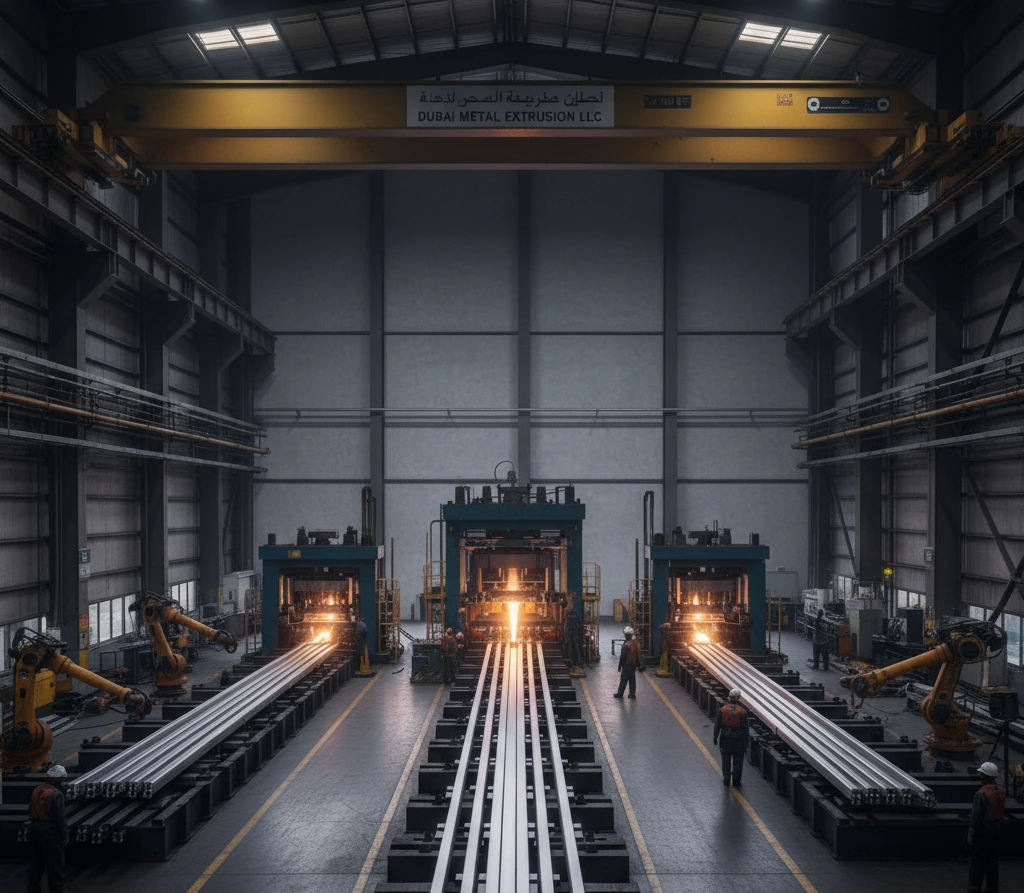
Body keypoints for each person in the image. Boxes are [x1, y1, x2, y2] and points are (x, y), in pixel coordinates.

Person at [28, 764, 68, 893]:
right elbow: (59, 819)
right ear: (57, 780)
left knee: (36, 862)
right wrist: (63, 836)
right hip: (49, 831)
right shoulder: (56, 794)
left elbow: (30, 810)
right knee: (55, 863)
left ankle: (33, 889)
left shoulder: (36, 789)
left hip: (34, 828)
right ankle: (56, 890)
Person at [968, 761, 1004, 893]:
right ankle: (992, 888)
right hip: (996, 830)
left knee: (977, 863)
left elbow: (976, 817)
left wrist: (971, 835)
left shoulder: (982, 794)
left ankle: (973, 889)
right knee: (992, 863)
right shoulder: (1000, 791)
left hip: (983, 832)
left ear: (983, 776)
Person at [713, 689, 749, 788]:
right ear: (739, 698)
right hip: (738, 739)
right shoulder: (743, 711)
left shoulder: (723, 710)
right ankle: (736, 781)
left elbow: (717, 725)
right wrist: (746, 742)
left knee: (726, 759)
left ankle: (726, 779)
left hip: (725, 738)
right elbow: (746, 728)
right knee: (738, 761)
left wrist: (715, 737)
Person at [614, 626, 643, 699]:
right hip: (633, 664)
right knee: (632, 679)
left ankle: (620, 693)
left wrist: (619, 666)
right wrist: (639, 665)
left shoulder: (625, 644)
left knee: (623, 679)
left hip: (626, 664)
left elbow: (622, 657)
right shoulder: (635, 643)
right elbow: (639, 654)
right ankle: (632, 694)